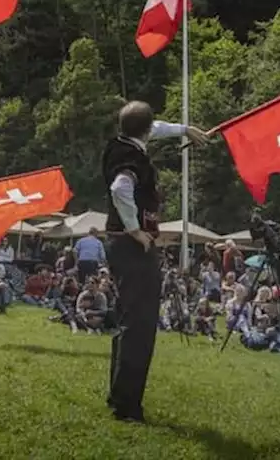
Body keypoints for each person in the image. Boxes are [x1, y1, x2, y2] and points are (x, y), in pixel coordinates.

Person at [102, 100, 207, 423]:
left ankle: (118, 395)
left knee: (127, 319)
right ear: (144, 131)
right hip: (132, 244)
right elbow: (121, 188)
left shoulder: (119, 143)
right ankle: (127, 407)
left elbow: (154, 128)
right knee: (141, 325)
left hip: (117, 242)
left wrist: (184, 130)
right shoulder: (132, 159)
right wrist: (136, 230)